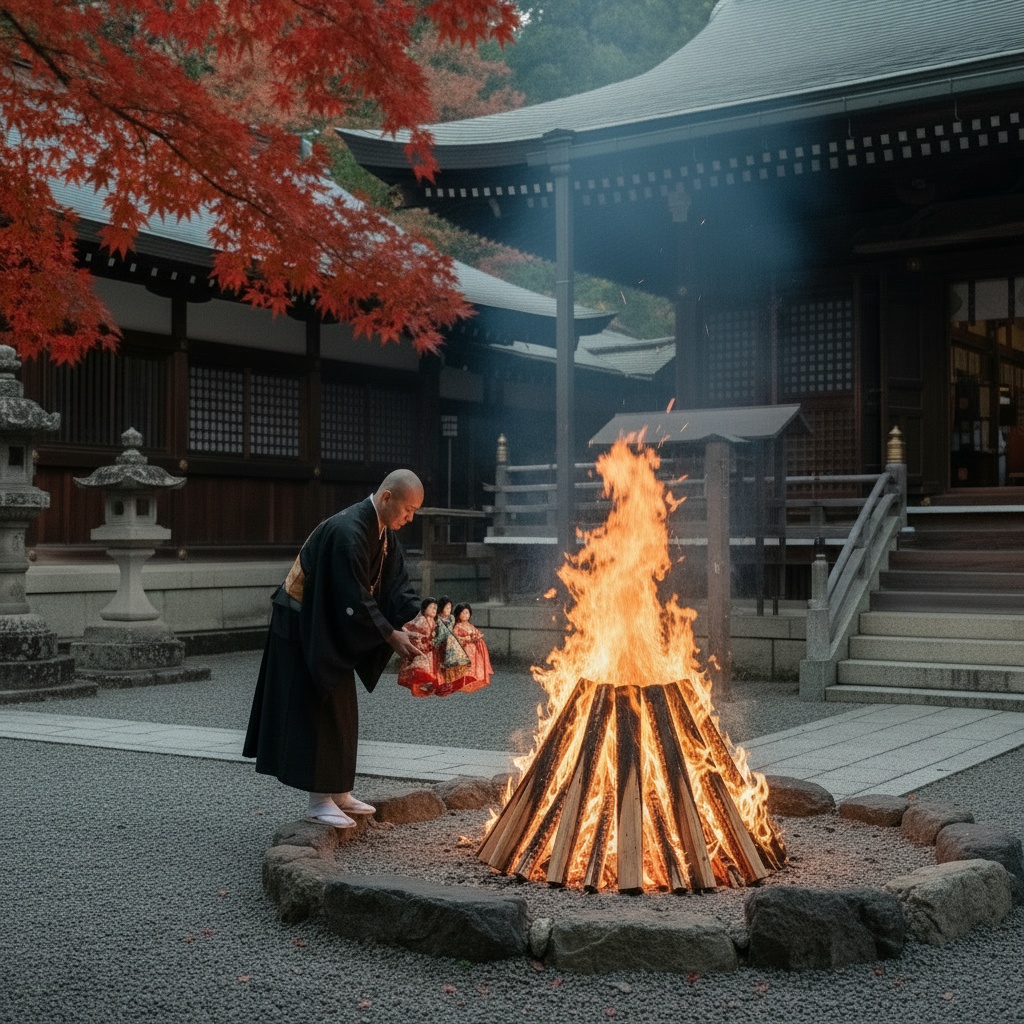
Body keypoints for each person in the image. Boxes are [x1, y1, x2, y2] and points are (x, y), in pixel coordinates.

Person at [243, 469, 423, 828]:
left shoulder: (382, 533)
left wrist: (418, 619)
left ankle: (338, 792)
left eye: (414, 512)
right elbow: (351, 597)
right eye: (408, 509)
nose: (410, 518)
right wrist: (390, 635)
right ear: (387, 497)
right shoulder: (347, 532)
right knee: (318, 708)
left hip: (324, 623)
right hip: (302, 625)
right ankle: (318, 800)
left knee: (342, 712)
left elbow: (395, 586)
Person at [397, 597, 440, 697]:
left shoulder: (434, 622)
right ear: (425, 608)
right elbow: (406, 628)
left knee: (431, 668)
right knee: (421, 665)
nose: (434, 610)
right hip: (421, 649)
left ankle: (427, 684)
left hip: (430, 649)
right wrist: (415, 635)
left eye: (435, 608)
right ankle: (423, 683)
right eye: (432, 607)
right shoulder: (421, 620)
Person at [432, 595, 470, 696]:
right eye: (446, 607)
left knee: (450, 664)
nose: (449, 609)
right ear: (441, 607)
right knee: (439, 666)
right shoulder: (436, 619)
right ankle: (439, 684)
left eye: (450, 607)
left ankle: (449, 683)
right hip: (440, 643)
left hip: (451, 643)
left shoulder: (452, 618)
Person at [452, 602, 494, 693]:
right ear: (458, 614)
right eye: (462, 613)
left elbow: (476, 633)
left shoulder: (470, 625)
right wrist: (468, 638)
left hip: (474, 650)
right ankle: (462, 683)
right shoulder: (457, 626)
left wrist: (476, 637)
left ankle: (472, 680)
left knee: (473, 667)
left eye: (467, 613)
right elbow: (455, 638)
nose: (465, 615)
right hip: (464, 650)